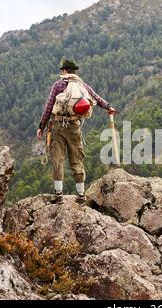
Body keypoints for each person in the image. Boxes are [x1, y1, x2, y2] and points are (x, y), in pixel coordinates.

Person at [37, 59, 116, 205]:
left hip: (57, 126)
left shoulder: (59, 85)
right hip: (74, 126)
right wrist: (109, 107)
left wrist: (41, 126)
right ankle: (81, 196)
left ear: (64, 71)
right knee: (77, 159)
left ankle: (58, 194)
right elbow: (97, 98)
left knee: (57, 159)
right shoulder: (82, 85)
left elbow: (48, 107)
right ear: (75, 72)